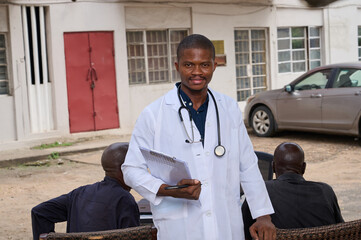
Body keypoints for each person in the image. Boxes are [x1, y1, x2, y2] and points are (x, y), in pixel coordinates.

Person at [122, 34, 275, 240]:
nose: (196, 72)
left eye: (204, 65)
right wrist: (169, 190)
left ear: (214, 65)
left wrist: (263, 215)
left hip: (225, 224)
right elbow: (131, 169)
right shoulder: (154, 114)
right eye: (188, 65)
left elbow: (247, 165)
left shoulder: (228, 108)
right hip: (180, 227)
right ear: (177, 65)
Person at [31, 142, 140, 240]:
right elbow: (132, 236)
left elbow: (39, 212)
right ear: (125, 169)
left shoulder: (79, 193)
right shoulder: (125, 200)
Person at [242, 142, 344, 240]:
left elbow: (242, 232)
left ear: (273, 167)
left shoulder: (259, 191)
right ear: (303, 168)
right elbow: (341, 230)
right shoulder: (325, 191)